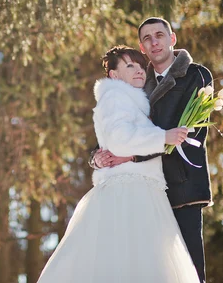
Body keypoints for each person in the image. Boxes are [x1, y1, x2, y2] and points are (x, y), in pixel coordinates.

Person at [37, 45, 200, 283]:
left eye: (140, 66)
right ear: (114, 75)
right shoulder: (115, 97)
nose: (139, 71)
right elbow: (119, 140)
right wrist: (164, 137)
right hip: (129, 192)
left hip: (142, 188)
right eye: (129, 66)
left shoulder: (131, 100)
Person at [92, 17, 213, 283]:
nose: (154, 41)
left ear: (172, 39)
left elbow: (187, 132)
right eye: (147, 38)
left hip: (182, 186)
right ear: (142, 46)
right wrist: (99, 156)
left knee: (187, 271)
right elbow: (117, 125)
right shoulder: (136, 82)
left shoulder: (196, 75)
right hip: (145, 190)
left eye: (159, 35)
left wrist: (133, 155)